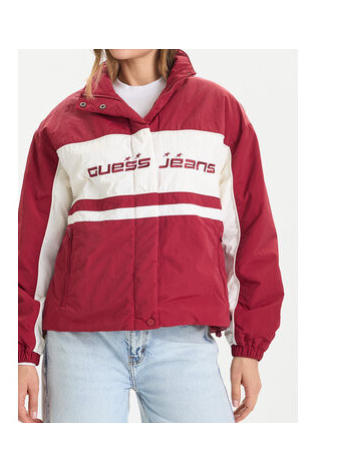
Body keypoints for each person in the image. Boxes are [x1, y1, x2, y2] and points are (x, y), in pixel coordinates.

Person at [18, 49, 284, 423]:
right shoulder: (63, 125)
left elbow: (249, 234)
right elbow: (33, 250)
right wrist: (21, 354)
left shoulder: (219, 112)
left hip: (184, 343)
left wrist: (248, 346)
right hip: (81, 347)